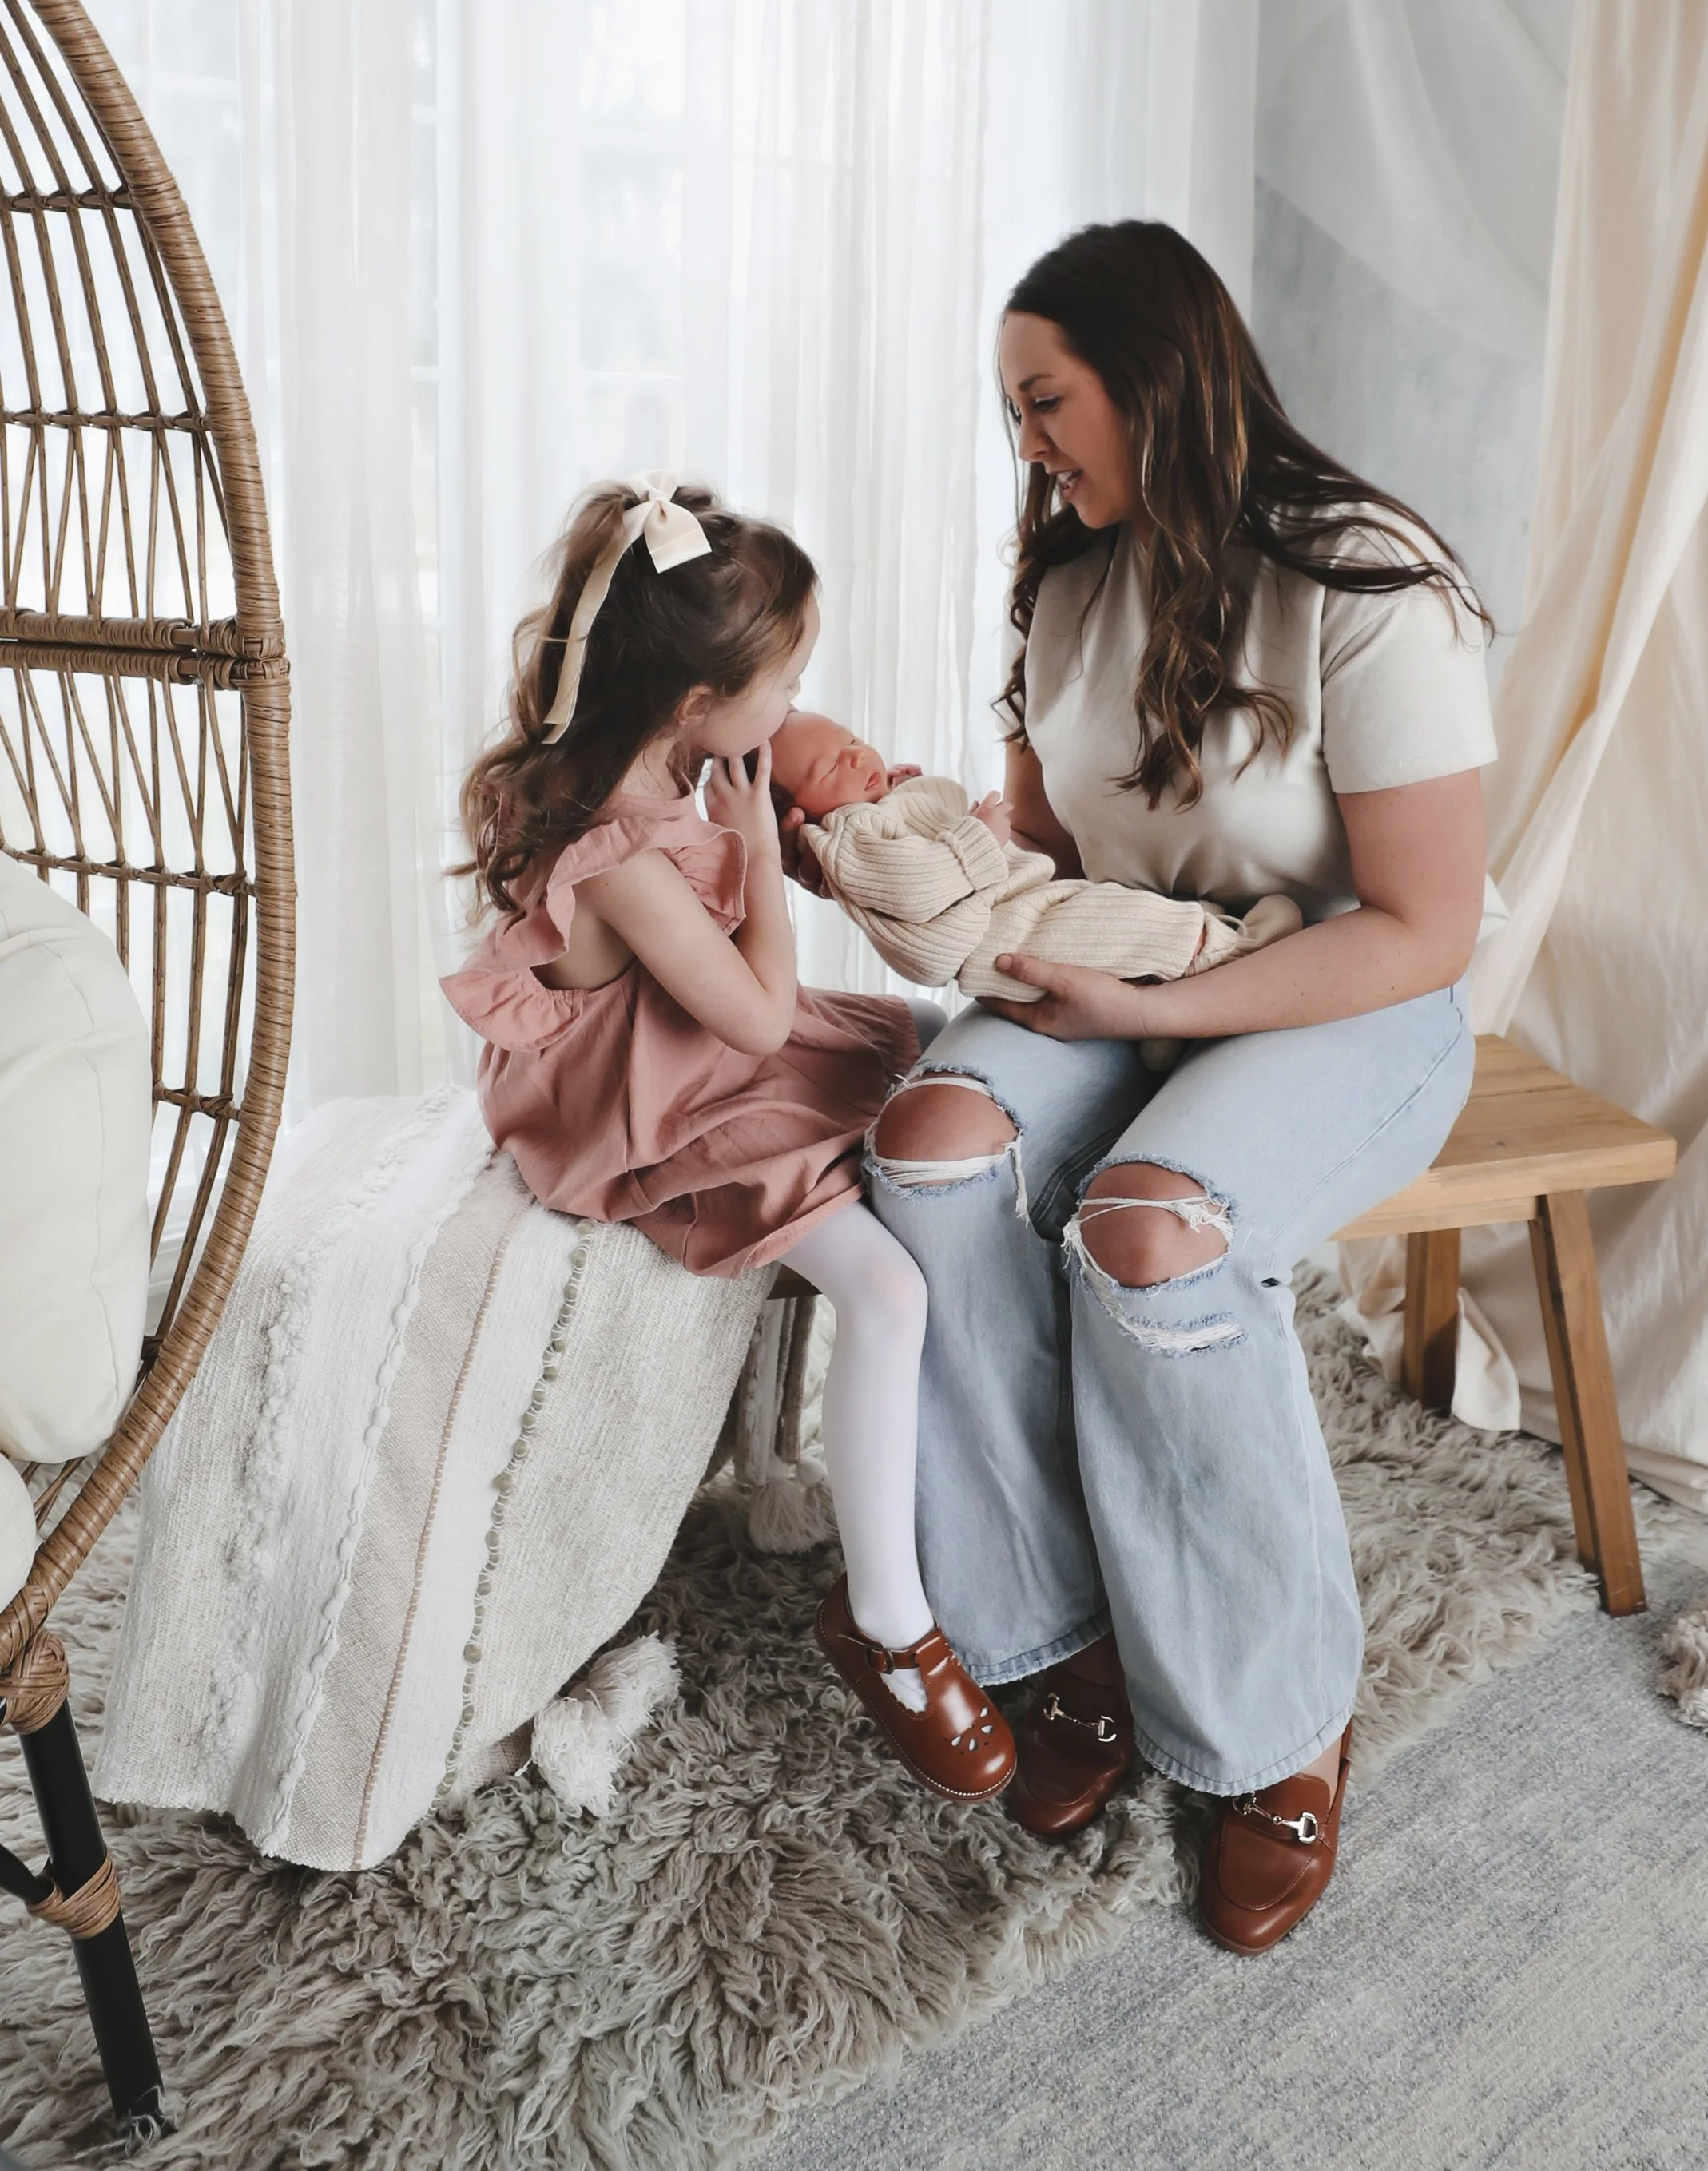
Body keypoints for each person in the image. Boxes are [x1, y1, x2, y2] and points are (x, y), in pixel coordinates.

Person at [849, 222, 1495, 1954]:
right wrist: (936, 859)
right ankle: (1049, 1637)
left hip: (1342, 993)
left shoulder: (1367, 583)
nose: (1028, 446)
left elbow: (1424, 927)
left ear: (1154, 376)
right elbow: (1053, 841)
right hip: (1127, 975)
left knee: (1148, 1237)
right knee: (921, 1158)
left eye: (1044, 402)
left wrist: (1166, 999)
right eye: (1013, 413)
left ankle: (1271, 1726)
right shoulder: (1062, 577)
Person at [443, 475, 1014, 1805]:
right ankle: (889, 1624)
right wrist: (758, 845)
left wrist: (869, 822)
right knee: (887, 1286)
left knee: (941, 1055)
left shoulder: (673, 757)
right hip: (662, 1102)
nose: (799, 697)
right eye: (785, 672)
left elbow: (766, 942)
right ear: (692, 702)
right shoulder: (623, 849)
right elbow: (756, 1017)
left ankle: (970, 1490)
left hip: (701, 1039)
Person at [769, 706, 1301, 1005]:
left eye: (853, 740)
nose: (856, 757)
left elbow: (935, 827)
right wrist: (977, 836)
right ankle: (1236, 952)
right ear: (802, 815)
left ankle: (1179, 980)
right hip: (1003, 934)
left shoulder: (874, 811)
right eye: (828, 768)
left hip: (1021, 904)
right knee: (1118, 927)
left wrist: (916, 789)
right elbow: (917, 885)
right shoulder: (844, 832)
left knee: (1112, 919)